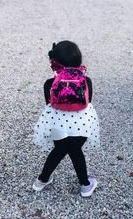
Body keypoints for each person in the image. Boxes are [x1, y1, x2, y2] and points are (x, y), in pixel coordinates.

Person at [33, 40, 100, 197]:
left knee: (59, 150)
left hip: (58, 125)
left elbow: (49, 106)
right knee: (75, 151)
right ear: (78, 61)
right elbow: (87, 103)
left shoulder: (49, 84)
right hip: (82, 125)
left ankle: (41, 181)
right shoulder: (86, 81)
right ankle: (85, 185)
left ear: (55, 63)